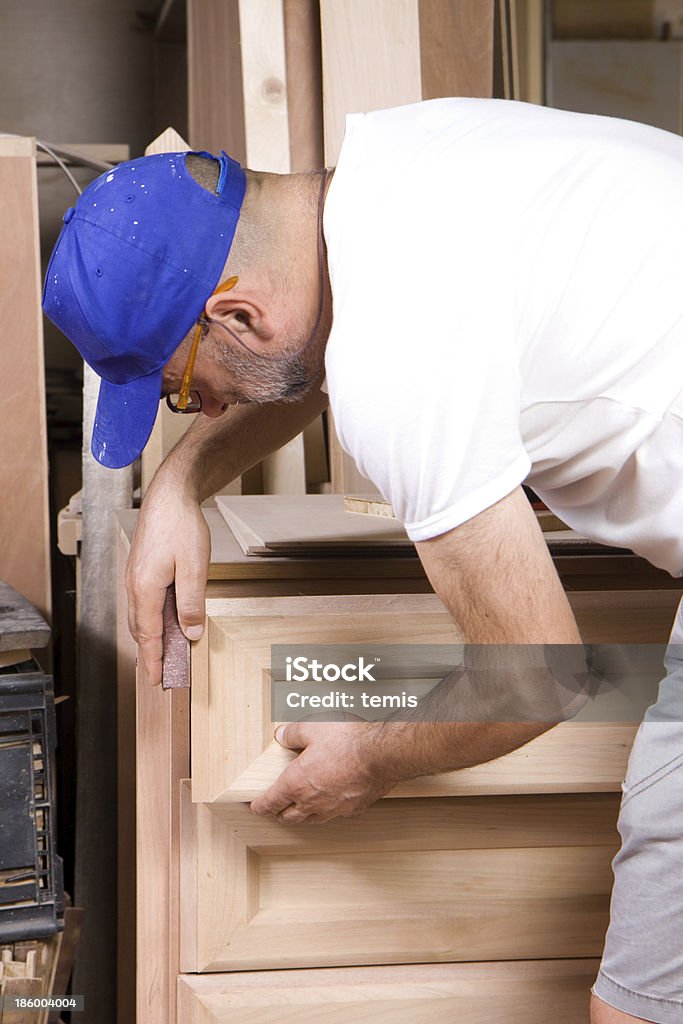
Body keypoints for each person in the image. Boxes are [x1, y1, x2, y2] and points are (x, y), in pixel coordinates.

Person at [43, 98, 683, 1023]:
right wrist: (181, 485)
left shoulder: (402, 361)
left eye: (183, 390)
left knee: (635, 1007)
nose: (206, 409)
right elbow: (309, 349)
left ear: (236, 312)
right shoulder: (393, 171)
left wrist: (371, 758)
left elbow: (539, 676)